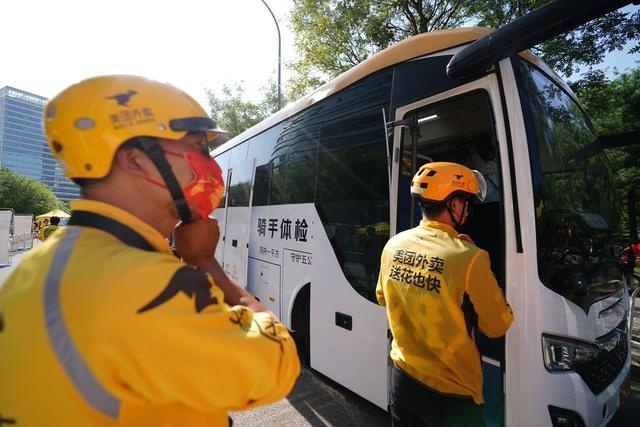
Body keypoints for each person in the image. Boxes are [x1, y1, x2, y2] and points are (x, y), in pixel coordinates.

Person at [0, 75, 300, 426]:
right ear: (135, 160)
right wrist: (203, 260)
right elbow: (277, 363)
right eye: (198, 148)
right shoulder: (143, 283)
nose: (210, 166)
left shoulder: (35, 267)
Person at [376, 162, 513, 427]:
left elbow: (384, 297)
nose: (468, 208)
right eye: (466, 201)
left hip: (403, 379)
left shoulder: (393, 245)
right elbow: (497, 326)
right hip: (453, 394)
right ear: (453, 203)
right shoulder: (470, 257)